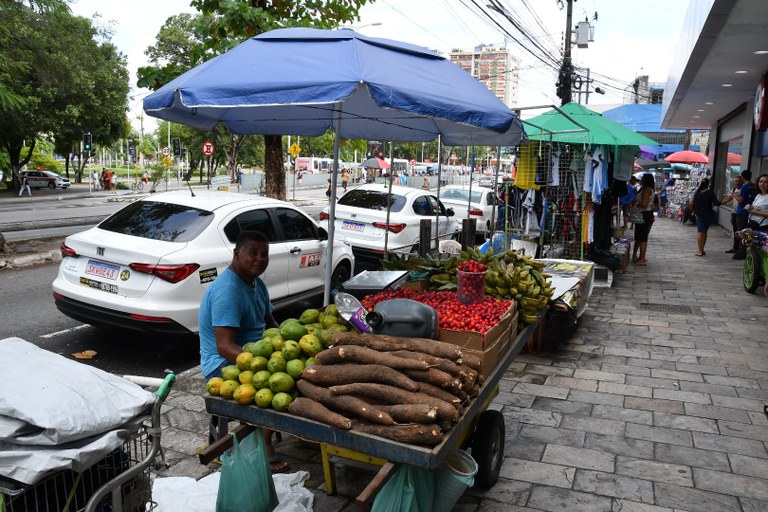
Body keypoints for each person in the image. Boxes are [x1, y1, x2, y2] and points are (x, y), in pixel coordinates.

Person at [198, 231, 288, 473]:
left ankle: (277, 430)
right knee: (271, 386)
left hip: (254, 352)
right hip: (222, 362)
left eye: (264, 255)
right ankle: (263, 444)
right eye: (253, 253)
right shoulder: (228, 291)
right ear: (237, 254)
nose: (260, 259)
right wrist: (265, 363)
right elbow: (224, 346)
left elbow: (271, 323)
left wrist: (290, 344)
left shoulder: (256, 283)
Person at [691, 178, 721, 256]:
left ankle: (700, 250)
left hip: (699, 214)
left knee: (700, 231)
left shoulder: (697, 193)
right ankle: (702, 249)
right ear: (708, 184)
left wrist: (693, 212)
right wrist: (725, 201)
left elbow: (694, 204)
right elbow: (716, 203)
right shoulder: (710, 193)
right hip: (708, 214)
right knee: (704, 231)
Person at [632, 173, 655, 266]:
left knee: (642, 238)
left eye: (642, 179)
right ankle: (637, 256)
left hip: (643, 214)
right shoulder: (644, 189)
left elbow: (644, 204)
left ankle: (642, 259)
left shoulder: (646, 190)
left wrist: (636, 203)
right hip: (644, 214)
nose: (641, 180)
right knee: (640, 237)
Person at [732, 169, 756, 260]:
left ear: (742, 178)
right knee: (747, 233)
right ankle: (745, 250)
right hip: (750, 212)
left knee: (742, 232)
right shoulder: (753, 186)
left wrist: (735, 196)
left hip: (742, 212)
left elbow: (741, 200)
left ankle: (741, 252)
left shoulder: (745, 187)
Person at [720, 174, 744, 253]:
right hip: (734, 213)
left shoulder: (743, 190)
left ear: (742, 182)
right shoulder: (734, 190)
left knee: (740, 232)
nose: (738, 183)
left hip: (741, 214)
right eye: (736, 181)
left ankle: (741, 249)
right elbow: (728, 198)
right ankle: (735, 248)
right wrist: (719, 203)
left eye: (740, 181)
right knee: (735, 231)